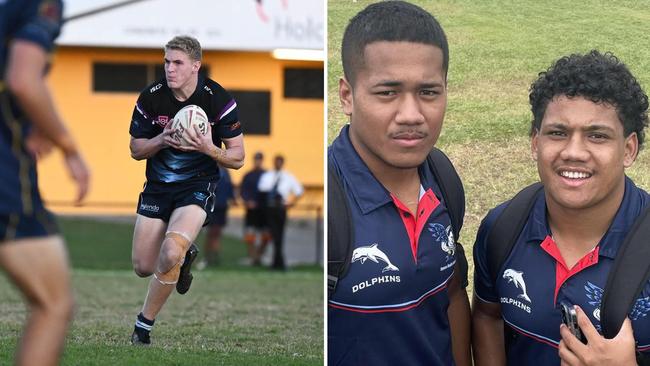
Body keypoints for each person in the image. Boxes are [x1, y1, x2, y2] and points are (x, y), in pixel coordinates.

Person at [472, 50, 650, 365]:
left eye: (597, 136)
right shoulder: (502, 228)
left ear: (629, 149)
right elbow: (488, 315)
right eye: (558, 133)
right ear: (535, 142)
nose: (573, 152)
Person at [327, 2, 471, 365]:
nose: (412, 115)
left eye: (428, 92)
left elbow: (451, 293)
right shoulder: (326, 206)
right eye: (387, 92)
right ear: (347, 95)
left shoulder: (444, 181)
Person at [128, 35, 244, 345]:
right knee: (143, 266)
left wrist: (209, 148)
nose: (169, 68)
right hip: (158, 189)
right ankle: (185, 254)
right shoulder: (151, 97)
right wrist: (161, 140)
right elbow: (136, 150)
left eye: (177, 62)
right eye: (167, 62)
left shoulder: (217, 99)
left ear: (196, 66)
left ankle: (143, 327)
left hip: (196, 187)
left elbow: (237, 157)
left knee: (169, 252)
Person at [0, 1, 91, 365]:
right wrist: (69, 147)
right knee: (53, 303)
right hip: (6, 179)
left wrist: (29, 120)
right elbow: (24, 81)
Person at [258, 154, 303, 270]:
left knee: (279, 235)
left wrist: (291, 203)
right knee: (274, 234)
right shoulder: (268, 175)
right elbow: (262, 190)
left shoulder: (288, 177)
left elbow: (299, 191)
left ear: (282, 163)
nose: (278, 164)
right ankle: (279, 262)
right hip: (270, 207)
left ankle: (277, 262)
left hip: (281, 208)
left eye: (280, 162)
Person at [197, 167, 234, 269]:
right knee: (211, 233)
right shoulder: (211, 169)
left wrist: (232, 199)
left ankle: (214, 257)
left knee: (217, 233)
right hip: (213, 206)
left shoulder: (226, 171)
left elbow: (229, 187)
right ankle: (208, 257)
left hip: (222, 207)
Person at [240, 151, 271, 265]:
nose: (258, 161)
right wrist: (248, 202)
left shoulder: (267, 175)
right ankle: (253, 257)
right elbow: (243, 191)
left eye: (259, 159)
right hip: (252, 211)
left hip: (264, 211)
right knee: (250, 235)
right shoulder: (248, 176)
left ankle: (259, 255)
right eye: (256, 159)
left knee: (266, 236)